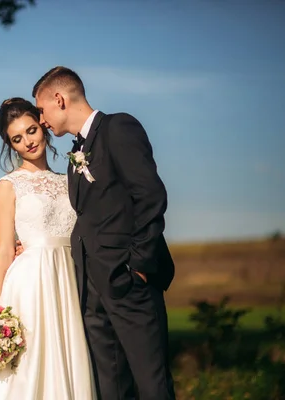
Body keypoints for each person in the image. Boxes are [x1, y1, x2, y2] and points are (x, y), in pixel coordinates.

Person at [28, 66, 177, 400]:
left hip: (128, 281)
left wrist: (136, 267)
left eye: (41, 110)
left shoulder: (118, 128)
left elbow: (150, 196)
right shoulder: (75, 156)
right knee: (111, 388)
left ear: (59, 99)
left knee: (151, 386)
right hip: (91, 290)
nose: (42, 120)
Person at [0, 97, 97, 400]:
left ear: (42, 125)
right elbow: (5, 252)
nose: (28, 142)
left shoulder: (69, 181)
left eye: (31, 130)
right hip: (31, 286)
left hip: (70, 280)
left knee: (69, 359)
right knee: (28, 368)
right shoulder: (9, 186)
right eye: (17, 139)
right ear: (11, 145)